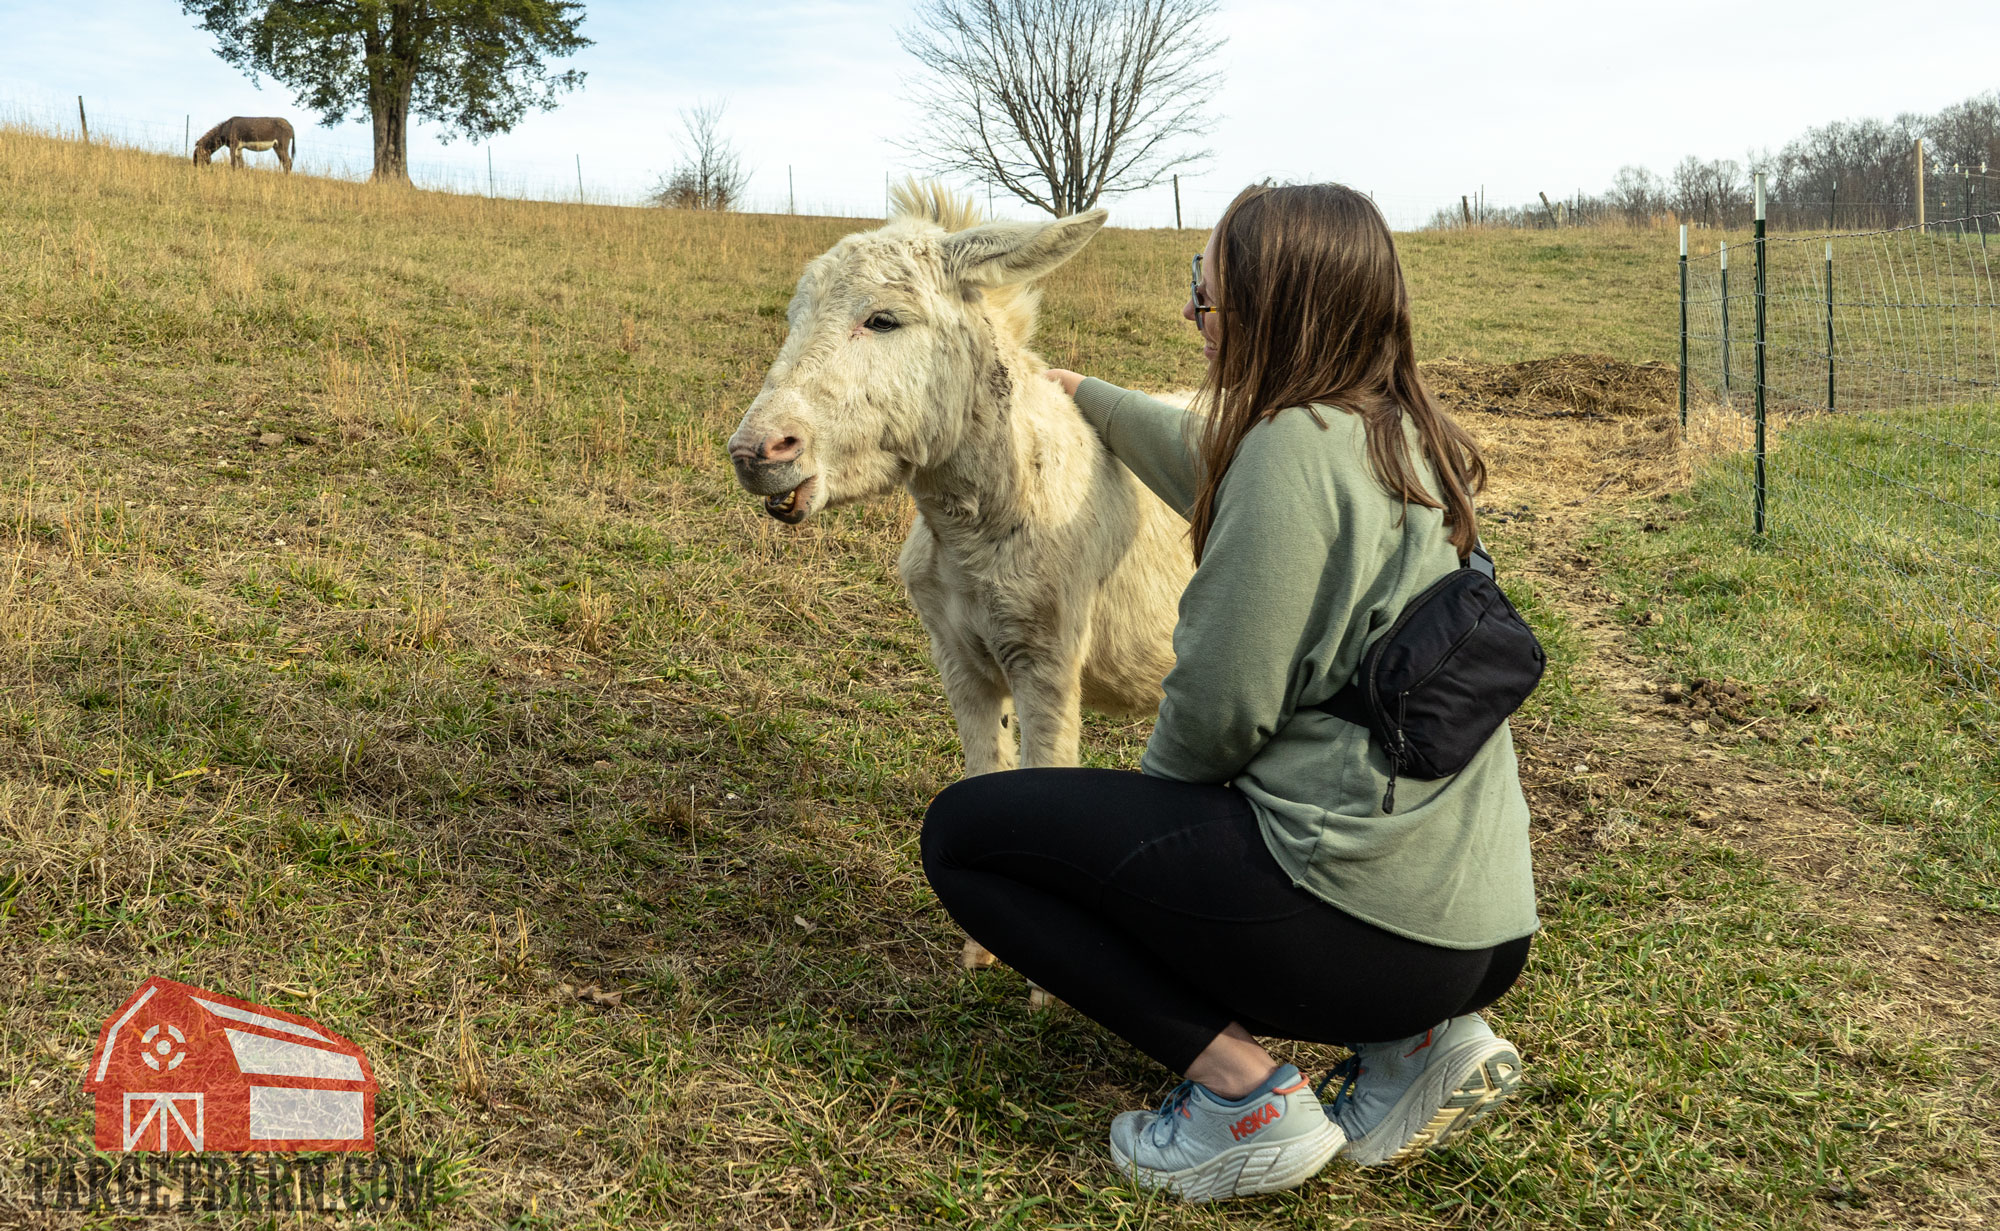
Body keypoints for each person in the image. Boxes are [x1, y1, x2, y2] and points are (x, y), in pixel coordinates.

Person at [918, 182, 1540, 1203]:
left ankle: (1242, 1098)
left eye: (1202, 290)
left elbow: (1216, 711)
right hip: (1476, 935)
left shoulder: (1286, 450)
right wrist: (1084, 398)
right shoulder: (1403, 437)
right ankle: (1417, 1049)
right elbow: (1211, 461)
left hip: (1366, 932)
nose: (1191, 313)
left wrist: (1131, 851)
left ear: (1269, 305)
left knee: (968, 835)